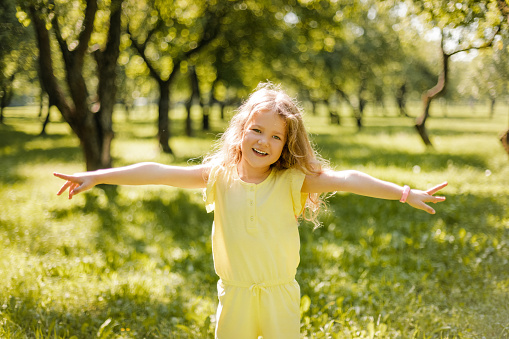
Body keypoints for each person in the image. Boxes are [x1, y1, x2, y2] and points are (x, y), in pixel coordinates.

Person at [54, 82, 447, 339]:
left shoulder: (293, 180)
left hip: (280, 295)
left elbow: (348, 178)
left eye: (276, 137)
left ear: (286, 145)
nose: (264, 141)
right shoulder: (217, 176)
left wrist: (404, 193)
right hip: (236, 294)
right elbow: (157, 172)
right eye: (257, 130)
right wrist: (99, 176)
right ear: (241, 131)